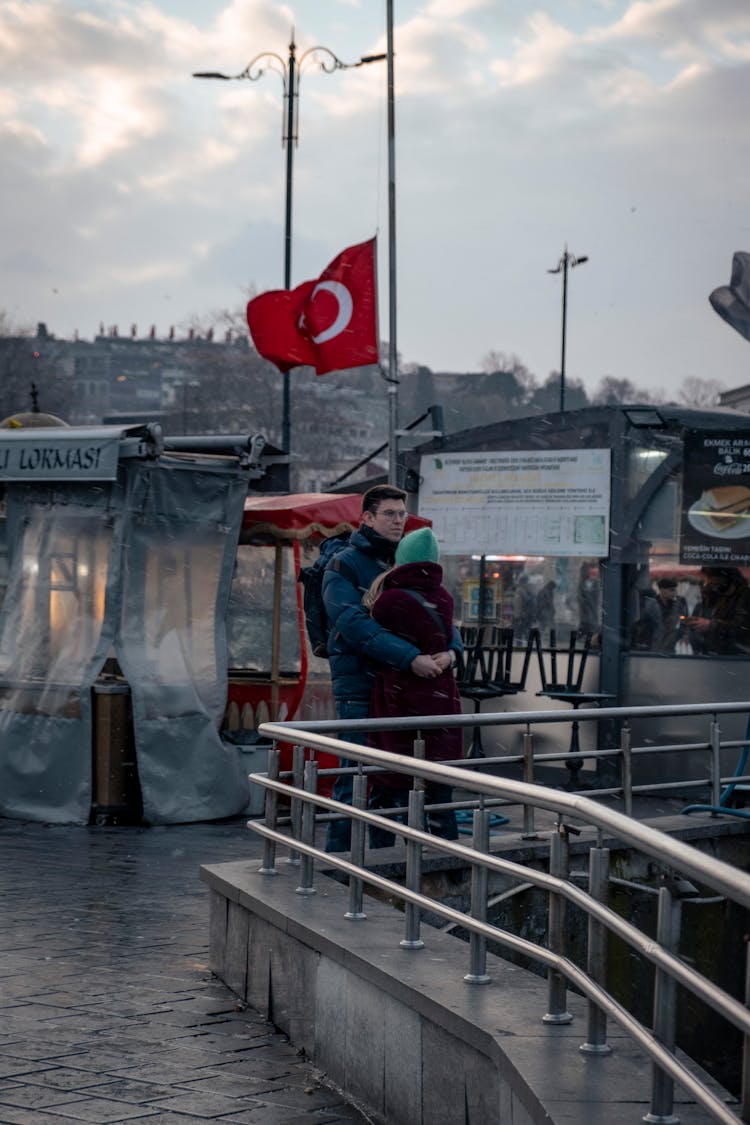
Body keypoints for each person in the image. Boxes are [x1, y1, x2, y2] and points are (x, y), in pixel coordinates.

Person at [321, 485, 458, 852]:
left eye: (402, 514)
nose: (399, 521)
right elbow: (350, 622)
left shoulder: (400, 561)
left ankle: (383, 861)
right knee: (355, 776)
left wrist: (452, 652)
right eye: (389, 514)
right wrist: (409, 657)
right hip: (361, 684)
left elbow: (439, 619)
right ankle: (338, 864)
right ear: (366, 518)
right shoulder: (344, 563)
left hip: (400, 686)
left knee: (390, 779)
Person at [364, 527, 463, 848]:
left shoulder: (390, 601)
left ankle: (381, 866)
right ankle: (449, 864)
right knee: (438, 793)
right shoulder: (445, 597)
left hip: (400, 707)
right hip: (441, 707)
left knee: (388, 788)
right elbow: (448, 638)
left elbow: (369, 641)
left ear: (401, 558)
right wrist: (449, 655)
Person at [686, 566, 750, 655]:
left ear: (723, 577)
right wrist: (699, 622)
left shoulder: (743, 596)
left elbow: (742, 627)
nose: (707, 581)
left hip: (735, 655)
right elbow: (709, 616)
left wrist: (711, 625)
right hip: (712, 653)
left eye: (710, 577)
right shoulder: (712, 592)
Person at [653, 577, 688, 653]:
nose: (675, 593)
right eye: (671, 590)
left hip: (670, 646)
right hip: (654, 646)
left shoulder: (678, 604)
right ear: (662, 590)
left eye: (675, 590)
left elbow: (683, 620)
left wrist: (677, 635)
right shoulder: (653, 603)